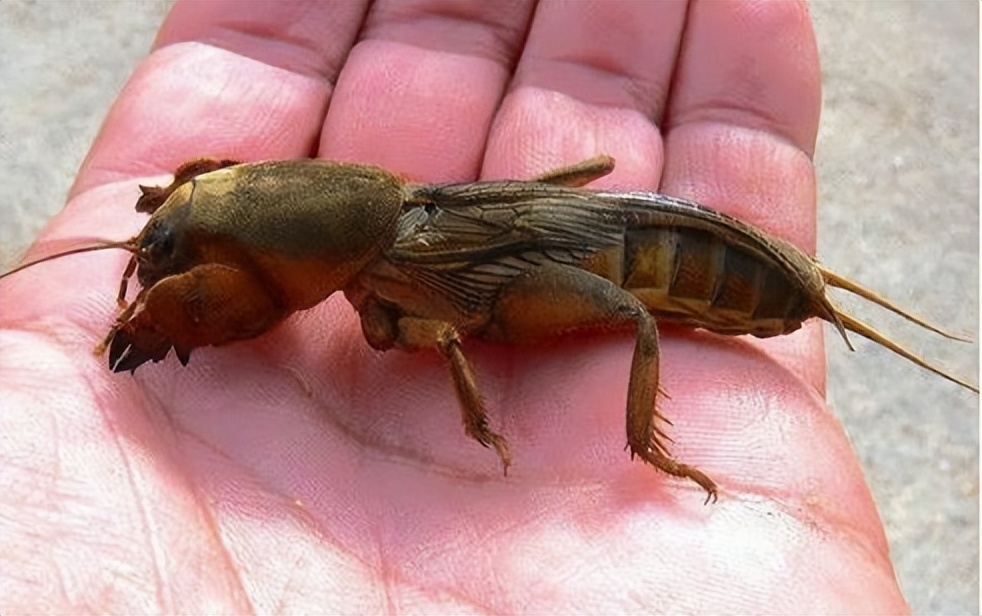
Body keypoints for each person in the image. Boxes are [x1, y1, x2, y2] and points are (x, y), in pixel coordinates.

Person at [1, 1, 907, 612]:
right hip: (532, 222)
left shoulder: (383, 282)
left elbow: (429, 335)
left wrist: (480, 423)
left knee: (633, 311)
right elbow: (218, 186)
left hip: (658, 253)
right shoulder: (352, 214)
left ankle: (653, 453)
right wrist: (176, 209)